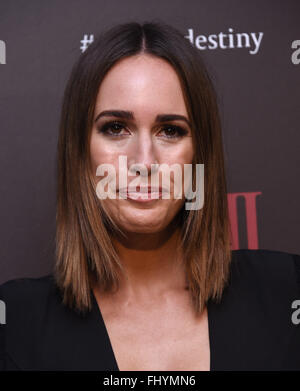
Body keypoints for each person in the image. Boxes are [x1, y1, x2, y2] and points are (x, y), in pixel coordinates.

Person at [0, 21, 299, 371]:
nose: (144, 161)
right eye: (115, 128)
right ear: (79, 153)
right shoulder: (15, 323)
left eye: (170, 131)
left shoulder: (286, 292)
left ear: (199, 155)